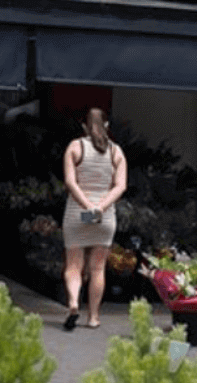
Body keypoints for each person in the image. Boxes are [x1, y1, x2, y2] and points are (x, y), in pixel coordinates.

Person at [61, 107, 127, 330]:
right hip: (104, 217)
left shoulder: (75, 147)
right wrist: (101, 207)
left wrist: (87, 205)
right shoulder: (116, 152)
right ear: (107, 126)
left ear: (84, 127)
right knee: (98, 269)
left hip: (77, 214)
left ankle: (72, 303)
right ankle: (94, 317)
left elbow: (71, 182)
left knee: (73, 266)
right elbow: (120, 186)